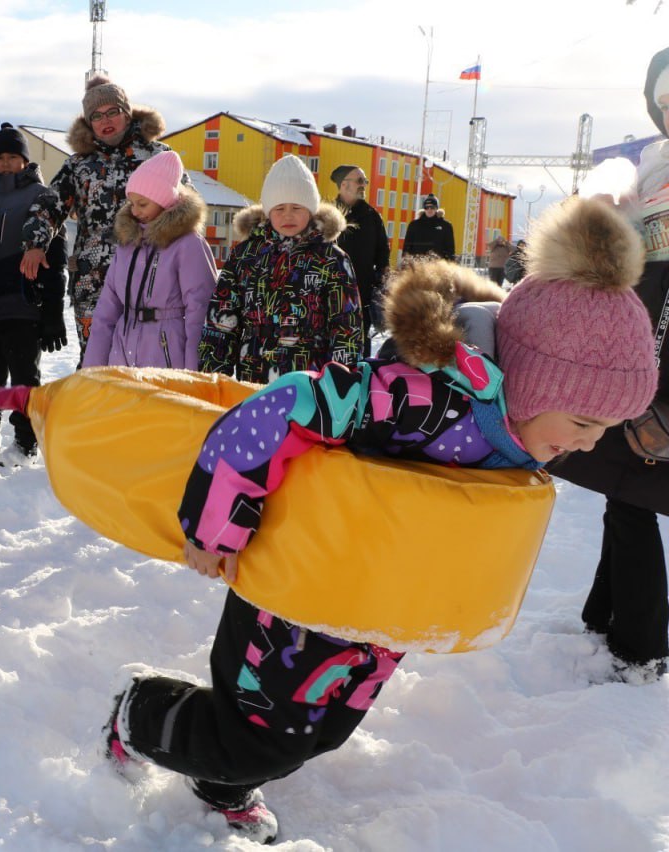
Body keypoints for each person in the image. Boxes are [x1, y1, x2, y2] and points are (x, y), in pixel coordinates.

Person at [104, 195, 658, 842]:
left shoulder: (519, 438)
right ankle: (140, 715)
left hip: (370, 610)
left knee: (324, 730)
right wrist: (216, 520)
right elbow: (283, 406)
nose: (591, 442)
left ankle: (223, 773)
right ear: (535, 386)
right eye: (586, 423)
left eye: (607, 430)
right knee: (263, 735)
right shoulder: (416, 397)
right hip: (298, 584)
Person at [552, 45, 669, 681]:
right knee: (622, 484)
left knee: (636, 490)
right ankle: (608, 615)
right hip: (634, 338)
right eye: (663, 103)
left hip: (665, 352)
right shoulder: (649, 168)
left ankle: (642, 647)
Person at [22, 74, 180, 361]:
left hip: (150, 275)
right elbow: (50, 204)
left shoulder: (158, 156)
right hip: (94, 279)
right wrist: (35, 243)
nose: (105, 120)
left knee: (145, 358)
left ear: (127, 112)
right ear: (88, 122)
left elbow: (185, 207)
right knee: (96, 359)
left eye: (112, 112)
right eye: (96, 116)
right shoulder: (79, 165)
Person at [198, 154, 363, 383]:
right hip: (252, 376)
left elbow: (346, 326)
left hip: (309, 383)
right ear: (267, 211)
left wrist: (341, 382)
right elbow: (222, 320)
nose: (288, 215)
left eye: (296, 207)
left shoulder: (331, 259)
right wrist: (213, 377)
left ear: (311, 210)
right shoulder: (245, 255)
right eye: (279, 208)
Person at [0, 123, 67, 463]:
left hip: (23, 302)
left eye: (13, 157)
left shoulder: (42, 196)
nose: (5, 164)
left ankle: (25, 440)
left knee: (24, 376)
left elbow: (58, 257)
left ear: (24, 159)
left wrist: (52, 311)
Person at [82, 150, 216, 371]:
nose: (135, 211)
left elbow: (200, 309)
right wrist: (92, 369)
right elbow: (107, 309)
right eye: (131, 203)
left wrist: (195, 371)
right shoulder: (128, 244)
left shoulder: (188, 244)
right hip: (122, 353)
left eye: (142, 204)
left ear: (164, 199)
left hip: (167, 355)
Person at [329, 164, 390, 338]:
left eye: (365, 181)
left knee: (361, 340)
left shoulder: (372, 216)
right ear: (343, 185)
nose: (364, 185)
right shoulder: (329, 214)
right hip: (332, 291)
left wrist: (383, 281)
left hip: (362, 291)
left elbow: (383, 252)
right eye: (360, 181)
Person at [401, 193, 456, 261]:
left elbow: (450, 249)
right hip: (417, 265)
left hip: (438, 266)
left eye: (432, 207)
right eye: (427, 207)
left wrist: (449, 264)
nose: (429, 209)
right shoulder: (414, 225)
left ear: (436, 208)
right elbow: (407, 247)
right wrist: (405, 263)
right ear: (424, 208)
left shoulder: (446, 226)